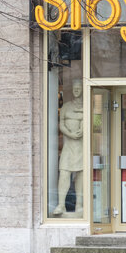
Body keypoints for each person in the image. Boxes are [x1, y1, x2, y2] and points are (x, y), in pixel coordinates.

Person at [53, 79, 83, 216]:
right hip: (68, 145)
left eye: (79, 88)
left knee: (81, 174)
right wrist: (69, 133)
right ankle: (61, 204)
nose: (77, 90)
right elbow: (61, 124)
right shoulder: (66, 106)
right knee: (64, 173)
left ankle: (80, 204)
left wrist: (83, 129)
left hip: (82, 145)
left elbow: (95, 121)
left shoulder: (87, 105)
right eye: (75, 88)